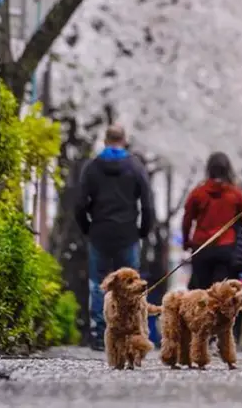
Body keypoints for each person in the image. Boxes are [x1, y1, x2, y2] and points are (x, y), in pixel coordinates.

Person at [75, 124, 156, 351]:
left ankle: (101, 333)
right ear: (124, 140)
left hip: (99, 232)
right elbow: (147, 203)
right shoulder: (135, 166)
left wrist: (87, 228)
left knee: (98, 284)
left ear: (105, 140)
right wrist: (143, 230)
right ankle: (132, 330)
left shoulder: (91, 167)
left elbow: (80, 203)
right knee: (133, 285)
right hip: (128, 233)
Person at [182, 152, 242, 289]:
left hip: (201, 248)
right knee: (223, 295)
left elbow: (187, 220)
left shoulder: (198, 193)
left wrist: (186, 242)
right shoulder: (235, 194)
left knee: (202, 294)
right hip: (226, 249)